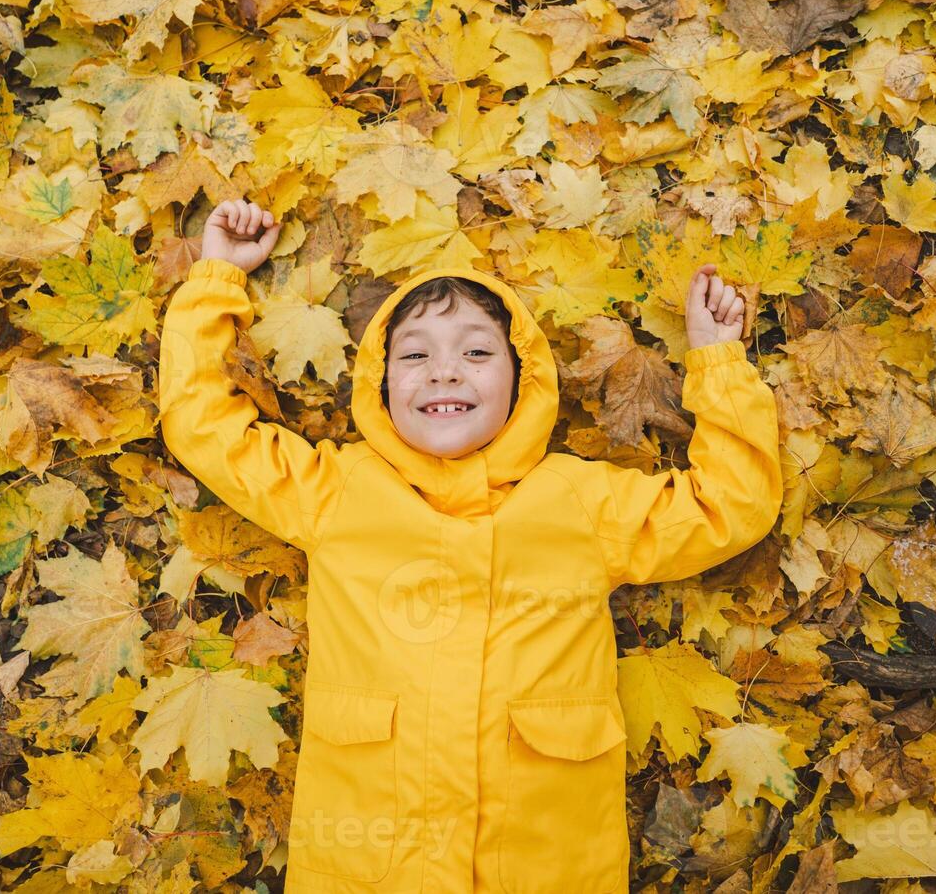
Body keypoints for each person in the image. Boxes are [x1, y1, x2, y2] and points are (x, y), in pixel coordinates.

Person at [157, 198, 783, 894]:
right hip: (371, 870)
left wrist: (720, 363)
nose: (445, 372)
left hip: (545, 870)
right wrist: (217, 277)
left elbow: (730, 505)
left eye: (477, 352)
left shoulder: (581, 501)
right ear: (380, 382)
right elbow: (203, 426)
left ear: (524, 380)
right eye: (416, 354)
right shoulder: (335, 491)